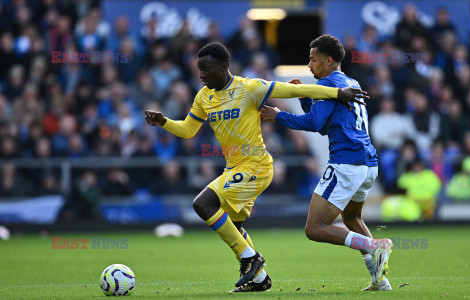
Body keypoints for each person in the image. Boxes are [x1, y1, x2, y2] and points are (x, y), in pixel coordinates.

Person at [144, 42, 368, 293]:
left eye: (207, 69)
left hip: (257, 166)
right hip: (234, 169)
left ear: (223, 66)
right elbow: (188, 130)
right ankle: (259, 279)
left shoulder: (250, 87)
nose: (202, 74)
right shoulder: (203, 97)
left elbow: (294, 90)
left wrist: (338, 93)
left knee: (203, 204)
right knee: (235, 228)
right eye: (199, 70)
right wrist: (164, 122)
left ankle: (250, 259)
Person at [261, 34, 393, 291]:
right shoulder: (348, 81)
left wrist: (279, 116)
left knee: (315, 228)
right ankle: (379, 279)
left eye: (313, 60)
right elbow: (325, 124)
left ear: (329, 61)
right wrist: (305, 98)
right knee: (353, 218)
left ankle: (375, 245)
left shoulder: (330, 82)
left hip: (346, 163)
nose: (309, 65)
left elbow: (314, 124)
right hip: (367, 163)